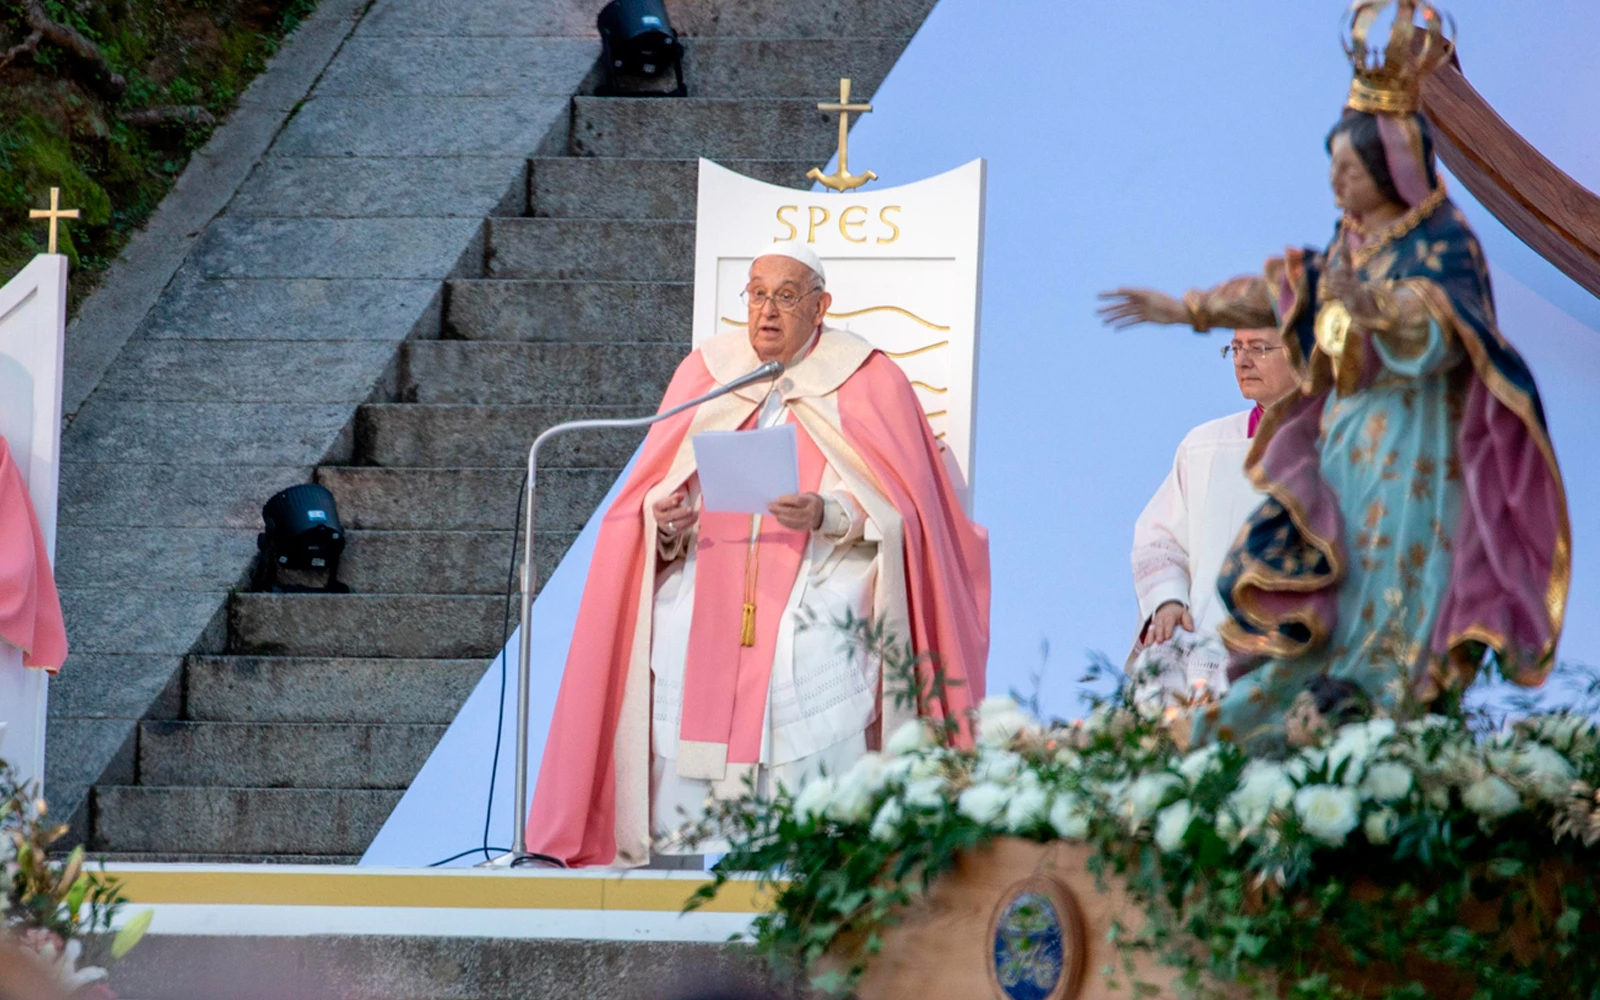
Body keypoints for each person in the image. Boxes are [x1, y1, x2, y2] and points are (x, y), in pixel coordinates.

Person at [1099, 0, 1568, 751]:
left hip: (1411, 451)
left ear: (1390, 168)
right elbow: (1279, 291)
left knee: (1393, 605)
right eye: (1333, 171)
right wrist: (1186, 308)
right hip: (1347, 446)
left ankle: (1382, 732)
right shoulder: (1341, 255)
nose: (1337, 186)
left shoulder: (1442, 246)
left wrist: (1379, 307)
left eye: (1348, 170)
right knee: (1303, 596)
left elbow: (1451, 326)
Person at [526, 241, 990, 866]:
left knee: (815, 640)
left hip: (822, 563)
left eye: (787, 297)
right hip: (712, 560)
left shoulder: (869, 378)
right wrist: (667, 521)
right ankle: (680, 841)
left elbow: (905, 508)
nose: (767, 311)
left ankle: (819, 840)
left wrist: (827, 511)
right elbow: (661, 488)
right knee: (674, 626)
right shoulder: (708, 375)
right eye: (757, 294)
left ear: (821, 307)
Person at [1129, 327, 1300, 700]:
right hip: (1207, 646)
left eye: (1258, 348)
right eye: (1235, 348)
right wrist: (1168, 599)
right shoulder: (1205, 446)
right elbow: (1159, 539)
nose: (1242, 360)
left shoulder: (1335, 442)